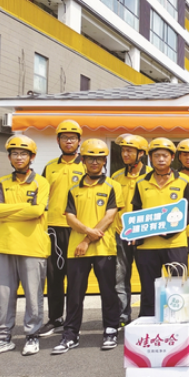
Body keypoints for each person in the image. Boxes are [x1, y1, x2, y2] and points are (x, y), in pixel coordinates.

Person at [0, 136, 50, 358]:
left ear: (32, 157)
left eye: (23, 153)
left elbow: (37, 211)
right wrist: (22, 208)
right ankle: (3, 339)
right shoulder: (2, 182)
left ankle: (32, 335)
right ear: (9, 157)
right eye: (14, 153)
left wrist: (7, 211)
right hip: (5, 245)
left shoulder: (41, 182)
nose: (19, 157)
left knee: (33, 295)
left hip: (33, 246)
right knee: (3, 295)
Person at [53, 139, 122, 354]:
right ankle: (70, 334)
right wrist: (86, 233)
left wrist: (86, 239)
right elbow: (70, 218)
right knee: (74, 294)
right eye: (90, 158)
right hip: (77, 251)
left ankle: (110, 329)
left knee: (108, 292)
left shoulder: (113, 186)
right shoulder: (74, 189)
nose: (94, 162)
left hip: (103, 248)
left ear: (104, 161)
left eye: (99, 158)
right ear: (83, 159)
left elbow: (109, 217)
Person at [132, 138, 189, 317]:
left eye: (165, 156)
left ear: (172, 157)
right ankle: (147, 320)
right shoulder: (141, 182)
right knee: (148, 287)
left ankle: (180, 318)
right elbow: (136, 210)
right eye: (157, 155)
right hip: (148, 244)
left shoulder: (183, 180)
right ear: (150, 158)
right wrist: (136, 233)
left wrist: (174, 229)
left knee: (178, 285)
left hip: (175, 243)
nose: (161, 159)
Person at [39, 120, 85, 337]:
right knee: (55, 276)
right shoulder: (50, 167)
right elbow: (41, 198)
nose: (69, 141)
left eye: (73, 138)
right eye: (65, 137)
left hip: (79, 229)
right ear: (58, 140)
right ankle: (55, 318)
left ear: (79, 141)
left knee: (76, 277)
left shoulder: (87, 164)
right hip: (54, 228)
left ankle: (73, 321)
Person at [111, 134, 151, 326]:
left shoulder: (151, 175)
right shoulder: (116, 177)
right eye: (123, 150)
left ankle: (147, 314)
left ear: (140, 153)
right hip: (120, 234)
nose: (125, 154)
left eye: (129, 151)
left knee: (147, 276)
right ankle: (122, 315)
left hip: (145, 235)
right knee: (120, 277)